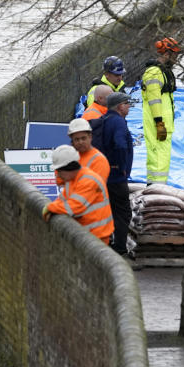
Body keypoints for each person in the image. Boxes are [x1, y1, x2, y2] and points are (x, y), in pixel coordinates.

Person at [41, 144, 113, 243]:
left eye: (59, 171)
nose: (57, 175)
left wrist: (50, 208)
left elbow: (73, 207)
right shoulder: (72, 180)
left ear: (68, 168)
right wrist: (53, 207)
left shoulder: (88, 180)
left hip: (97, 235)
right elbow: (62, 200)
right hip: (88, 233)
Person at [91, 92, 134, 255]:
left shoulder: (106, 119)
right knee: (123, 211)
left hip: (105, 174)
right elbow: (120, 145)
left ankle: (107, 241)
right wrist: (121, 167)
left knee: (107, 209)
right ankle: (120, 247)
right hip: (116, 176)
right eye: (126, 103)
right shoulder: (118, 122)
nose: (129, 106)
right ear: (119, 106)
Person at [141, 37, 179, 184]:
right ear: (167, 54)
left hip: (163, 123)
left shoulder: (162, 72)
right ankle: (155, 186)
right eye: (174, 56)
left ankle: (159, 184)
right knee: (157, 154)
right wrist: (159, 123)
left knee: (162, 155)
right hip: (158, 123)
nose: (176, 60)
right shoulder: (154, 73)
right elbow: (154, 100)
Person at [62, 117, 110, 183]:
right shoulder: (69, 158)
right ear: (72, 141)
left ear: (90, 137)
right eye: (77, 139)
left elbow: (95, 187)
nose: (80, 142)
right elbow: (60, 180)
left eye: (83, 138)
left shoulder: (99, 160)